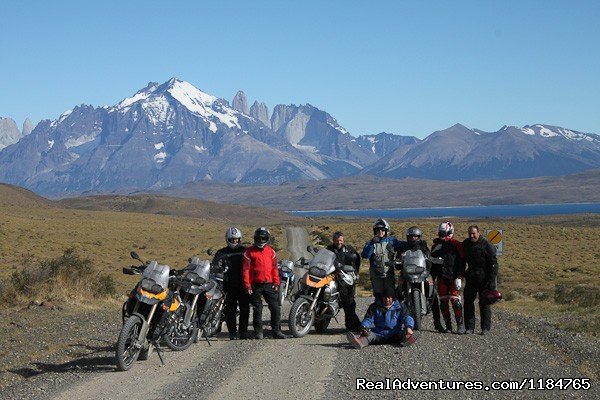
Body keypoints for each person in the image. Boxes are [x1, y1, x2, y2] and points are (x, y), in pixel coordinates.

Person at [242, 227, 287, 339]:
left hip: (269, 283)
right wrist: (247, 285)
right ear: (255, 238)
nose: (261, 241)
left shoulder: (271, 251)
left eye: (263, 238)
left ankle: (276, 331)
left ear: (267, 239)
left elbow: (274, 268)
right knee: (257, 309)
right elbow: (245, 270)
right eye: (259, 238)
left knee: (275, 307)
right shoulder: (249, 252)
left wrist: (276, 282)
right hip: (255, 285)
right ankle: (258, 332)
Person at [346, 286, 415, 349]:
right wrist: (364, 327)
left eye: (389, 297)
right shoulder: (374, 306)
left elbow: (407, 317)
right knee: (367, 335)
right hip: (378, 334)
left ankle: (408, 340)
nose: (387, 299)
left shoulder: (400, 306)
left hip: (395, 333)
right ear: (382, 297)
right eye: (385, 297)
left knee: (406, 333)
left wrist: (409, 327)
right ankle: (359, 342)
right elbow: (368, 319)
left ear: (393, 297)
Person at [212, 227, 250, 340]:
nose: (234, 241)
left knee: (245, 309)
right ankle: (232, 333)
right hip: (228, 284)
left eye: (236, 239)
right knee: (230, 310)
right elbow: (215, 265)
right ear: (227, 239)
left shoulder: (245, 251)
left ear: (240, 239)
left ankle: (243, 332)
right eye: (232, 239)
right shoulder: (221, 252)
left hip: (243, 284)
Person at [462, 225, 499, 335]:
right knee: (468, 302)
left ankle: (485, 328)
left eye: (474, 233)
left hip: (485, 278)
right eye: (470, 234)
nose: (472, 236)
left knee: (484, 303)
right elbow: (462, 260)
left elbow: (493, 263)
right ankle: (469, 327)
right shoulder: (466, 244)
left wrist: (492, 280)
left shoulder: (487, 244)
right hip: (471, 276)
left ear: (479, 232)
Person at [430, 221, 466, 334]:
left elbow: (462, 262)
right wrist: (432, 277)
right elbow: (432, 263)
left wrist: (460, 276)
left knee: (456, 301)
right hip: (441, 277)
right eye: (441, 233)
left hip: (454, 277)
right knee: (444, 302)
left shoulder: (457, 244)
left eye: (444, 233)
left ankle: (460, 325)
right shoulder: (436, 246)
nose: (442, 236)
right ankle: (448, 326)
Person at [326, 231, 361, 332]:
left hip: (345, 278)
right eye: (337, 241)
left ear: (343, 240)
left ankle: (352, 325)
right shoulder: (329, 249)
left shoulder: (348, 249)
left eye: (340, 240)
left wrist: (355, 272)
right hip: (331, 276)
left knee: (348, 302)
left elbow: (357, 258)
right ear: (333, 241)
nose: (339, 242)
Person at [361, 219, 405, 299]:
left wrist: (416, 243)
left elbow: (403, 246)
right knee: (378, 294)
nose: (380, 231)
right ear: (375, 231)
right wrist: (372, 243)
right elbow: (365, 255)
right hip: (375, 273)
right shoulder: (370, 242)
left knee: (390, 294)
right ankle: (379, 310)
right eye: (378, 230)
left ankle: (392, 311)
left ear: (386, 231)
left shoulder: (391, 241)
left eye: (383, 230)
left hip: (388, 272)